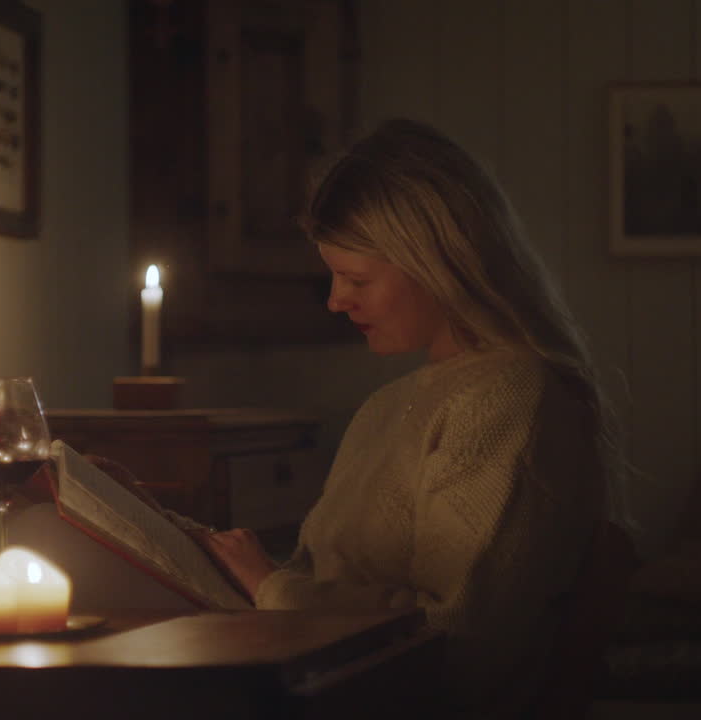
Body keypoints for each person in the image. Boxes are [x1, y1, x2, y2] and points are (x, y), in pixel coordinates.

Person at [195, 118, 633, 717]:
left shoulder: (509, 399)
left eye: (355, 278)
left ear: (439, 263)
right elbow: (318, 578)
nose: (334, 300)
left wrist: (273, 588)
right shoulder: (386, 408)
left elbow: (459, 646)